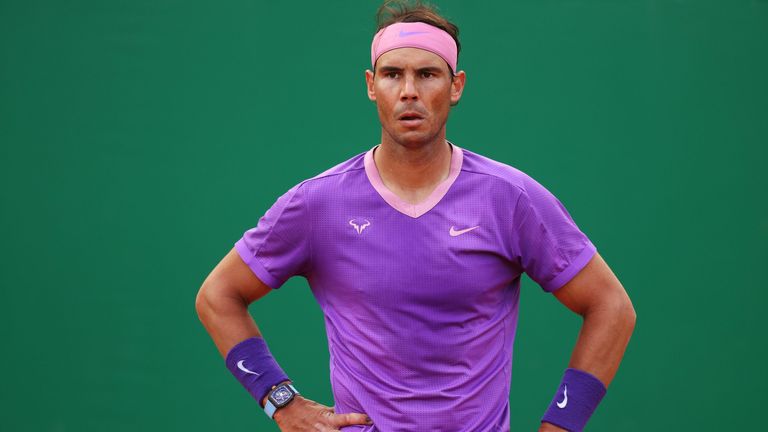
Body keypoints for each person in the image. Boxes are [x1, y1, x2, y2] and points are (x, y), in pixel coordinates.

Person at [195, 1, 636, 431]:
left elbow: (611, 308)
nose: (409, 91)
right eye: (392, 74)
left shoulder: (510, 198)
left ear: (456, 86)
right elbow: (218, 296)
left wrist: (561, 424)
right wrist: (281, 402)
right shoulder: (317, 202)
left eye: (427, 74)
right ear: (371, 85)